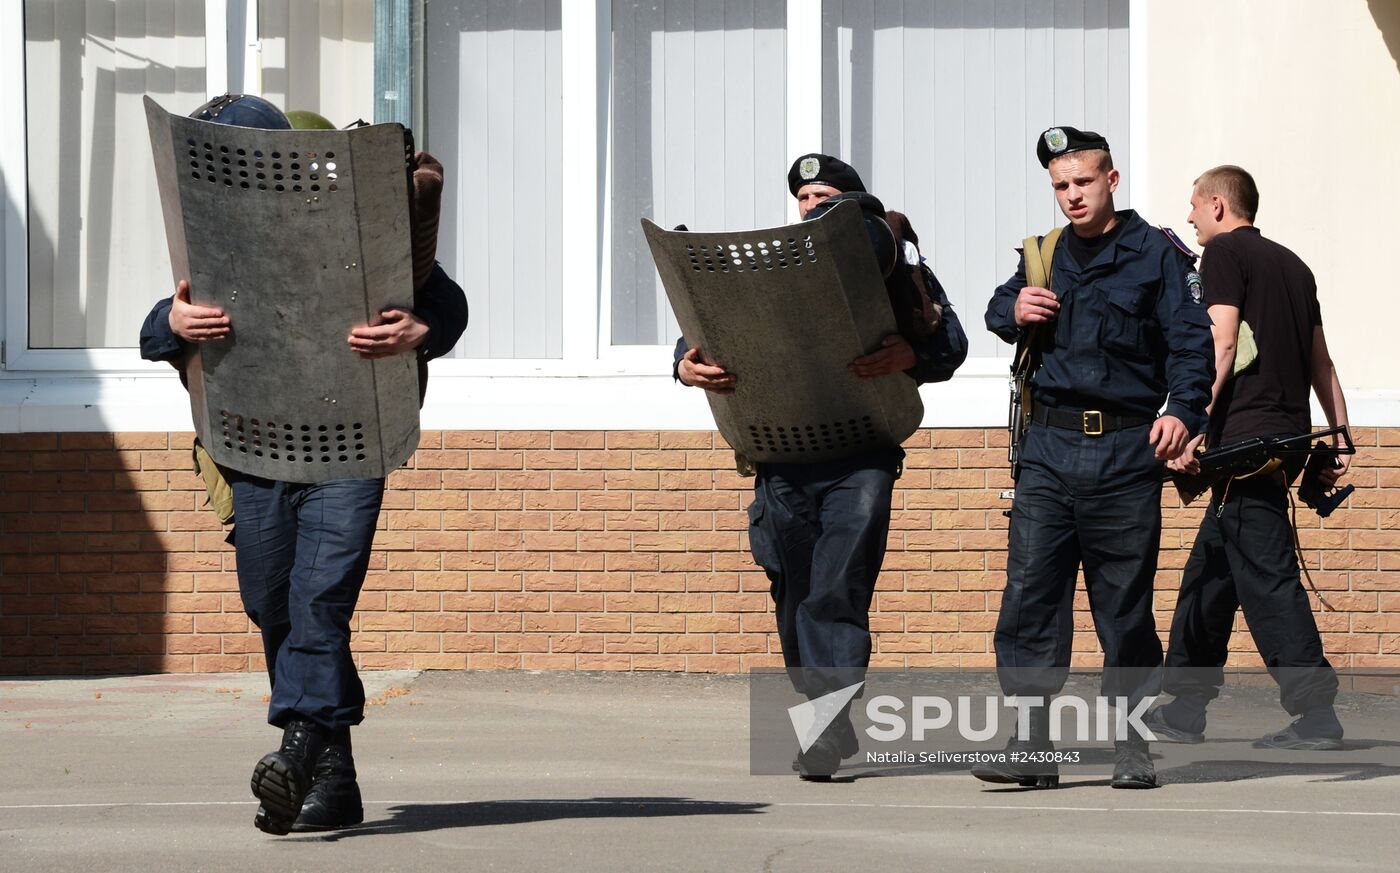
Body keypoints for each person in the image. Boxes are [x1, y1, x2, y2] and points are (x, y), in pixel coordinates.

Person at [139, 94, 468, 833]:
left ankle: (295, 749)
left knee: (319, 600)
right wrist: (171, 320)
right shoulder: (215, 240)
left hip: (349, 444)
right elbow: (154, 329)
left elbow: (443, 301)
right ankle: (334, 778)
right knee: (273, 603)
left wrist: (423, 326)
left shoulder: (342, 221)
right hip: (253, 451)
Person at [674, 153, 967, 779]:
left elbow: (951, 344)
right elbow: (713, 319)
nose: (812, 208)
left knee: (836, 589)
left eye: (826, 197)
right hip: (781, 457)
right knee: (794, 593)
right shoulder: (772, 266)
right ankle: (823, 717)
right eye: (804, 199)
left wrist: (908, 353)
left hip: (860, 457)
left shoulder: (890, 260)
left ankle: (827, 726)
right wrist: (683, 364)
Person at [978, 127, 1214, 789]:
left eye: (1083, 182)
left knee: (1125, 607)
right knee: (1029, 599)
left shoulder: (1158, 255)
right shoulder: (1044, 253)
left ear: (1112, 179)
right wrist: (1013, 308)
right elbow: (998, 307)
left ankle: (1132, 746)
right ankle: (1031, 746)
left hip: (1125, 450)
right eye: (1061, 186)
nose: (1072, 196)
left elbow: (1193, 347)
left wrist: (1182, 412)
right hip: (1049, 450)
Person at [1146, 165, 1350, 750]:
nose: (1187, 217)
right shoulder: (1295, 266)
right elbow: (1323, 365)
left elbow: (1223, 341)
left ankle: (1316, 716)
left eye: (1192, 205)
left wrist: (1190, 423)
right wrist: (1339, 436)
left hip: (1245, 444)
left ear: (1217, 204)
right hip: (1284, 442)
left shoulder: (1224, 256)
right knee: (1211, 573)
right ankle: (1185, 709)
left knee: (1268, 577)